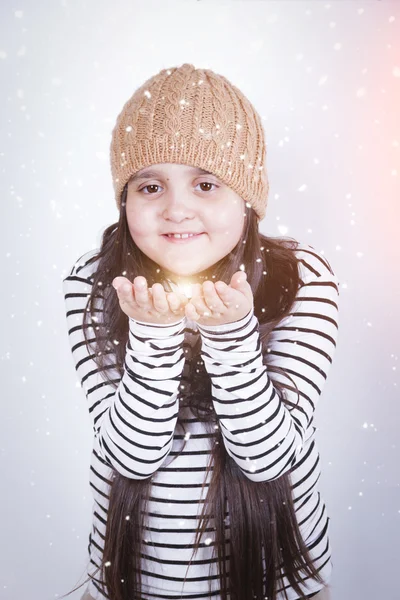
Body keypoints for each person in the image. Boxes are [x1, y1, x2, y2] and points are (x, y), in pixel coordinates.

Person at [62, 63, 339, 600]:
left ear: (248, 197)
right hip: (134, 581)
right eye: (150, 185)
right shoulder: (95, 283)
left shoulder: (302, 277)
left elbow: (266, 457)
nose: (176, 208)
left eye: (206, 183)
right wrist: (153, 336)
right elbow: (132, 455)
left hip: (276, 580)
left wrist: (233, 337)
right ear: (125, 199)